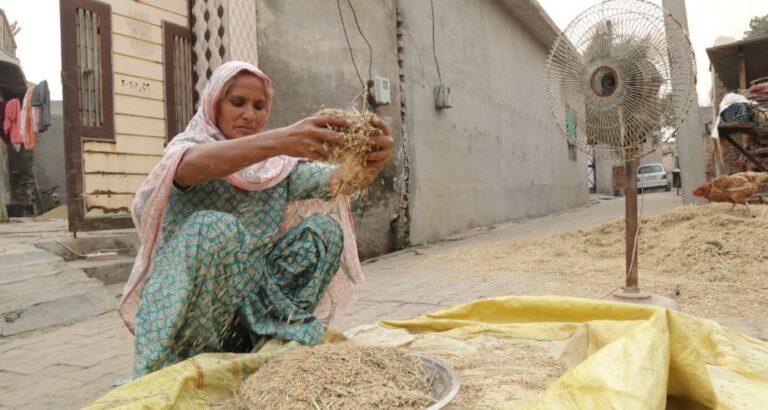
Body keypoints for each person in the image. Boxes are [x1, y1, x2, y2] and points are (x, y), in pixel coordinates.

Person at [119, 61, 394, 377]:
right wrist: (281, 140)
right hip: (192, 315)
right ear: (214, 104)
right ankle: (196, 360)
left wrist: (371, 159)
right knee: (215, 228)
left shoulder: (275, 164)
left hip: (249, 311)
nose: (249, 114)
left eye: (259, 106)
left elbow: (338, 181)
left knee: (324, 230)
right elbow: (185, 169)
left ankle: (271, 337)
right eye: (237, 103)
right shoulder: (191, 147)